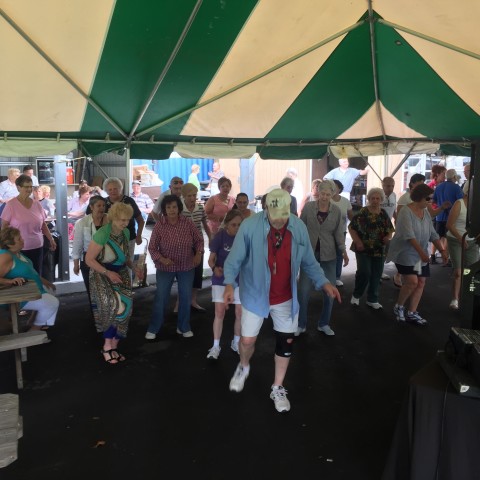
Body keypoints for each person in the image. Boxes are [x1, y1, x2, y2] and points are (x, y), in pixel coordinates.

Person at [223, 188, 340, 412]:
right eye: (274, 216)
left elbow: (309, 262)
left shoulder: (298, 227)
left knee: (285, 342)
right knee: (247, 342)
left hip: (286, 296)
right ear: (266, 208)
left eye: (283, 216)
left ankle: (278, 386)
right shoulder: (250, 226)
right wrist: (229, 282)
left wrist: (324, 282)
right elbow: (234, 259)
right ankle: (244, 365)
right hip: (256, 295)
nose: (279, 221)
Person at [85, 202, 144, 364]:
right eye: (121, 220)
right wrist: (107, 272)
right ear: (113, 218)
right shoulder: (102, 233)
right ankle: (107, 347)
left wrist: (134, 267)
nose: (125, 223)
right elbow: (89, 260)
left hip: (121, 273)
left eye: (127, 220)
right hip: (102, 273)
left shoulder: (125, 232)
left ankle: (114, 346)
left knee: (126, 309)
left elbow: (124, 257)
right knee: (111, 306)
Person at [387, 184, 448, 325]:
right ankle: (399, 306)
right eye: (428, 198)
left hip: (419, 254)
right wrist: (422, 254)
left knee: (421, 282)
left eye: (431, 198)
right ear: (419, 198)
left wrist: (443, 251)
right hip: (406, 253)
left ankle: (412, 312)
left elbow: (433, 234)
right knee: (412, 282)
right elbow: (409, 236)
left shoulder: (425, 211)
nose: (430, 201)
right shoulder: (405, 212)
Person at [145, 195, 204, 340]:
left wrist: (198, 254)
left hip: (186, 265)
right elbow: (152, 248)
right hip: (165, 267)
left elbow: (199, 240)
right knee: (162, 297)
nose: (172, 210)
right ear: (164, 210)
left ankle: (183, 327)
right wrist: (162, 259)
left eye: (174, 207)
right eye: (168, 207)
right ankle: (154, 328)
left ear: (179, 208)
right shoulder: (160, 225)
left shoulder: (187, 223)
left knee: (185, 296)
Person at [297, 180, 348, 336]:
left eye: (328, 194)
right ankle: (301, 324)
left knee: (330, 291)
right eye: (322, 193)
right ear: (318, 192)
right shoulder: (309, 207)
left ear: (332, 194)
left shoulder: (337, 211)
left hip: (329, 255)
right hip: (309, 254)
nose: (325, 197)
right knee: (304, 290)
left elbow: (339, 233)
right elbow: (301, 227)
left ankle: (324, 323)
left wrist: (343, 251)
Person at [0, 227, 59, 330]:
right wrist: (10, 281)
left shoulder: (17, 253)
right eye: (19, 239)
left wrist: (46, 282)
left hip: (32, 288)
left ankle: (32, 320)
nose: (23, 240)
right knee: (52, 303)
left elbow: (31, 272)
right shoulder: (6, 256)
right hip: (21, 294)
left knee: (51, 290)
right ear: (10, 244)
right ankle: (35, 329)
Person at [1, 174, 56, 275]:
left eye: (31, 186)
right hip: (18, 249)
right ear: (18, 187)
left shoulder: (37, 204)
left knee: (36, 274)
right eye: (26, 187)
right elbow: (4, 227)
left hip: (38, 246)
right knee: (22, 276)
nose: (29, 189)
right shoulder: (11, 205)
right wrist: (3, 246)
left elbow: (43, 225)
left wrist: (51, 239)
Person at [206, 210, 243, 359]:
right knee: (219, 312)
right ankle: (215, 346)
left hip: (240, 280)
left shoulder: (244, 238)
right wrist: (215, 268)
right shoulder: (220, 237)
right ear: (227, 224)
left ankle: (236, 342)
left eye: (240, 225)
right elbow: (211, 260)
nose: (237, 228)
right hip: (221, 279)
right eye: (234, 225)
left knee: (240, 313)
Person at [349, 188, 394, 309]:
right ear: (368, 199)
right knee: (364, 272)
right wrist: (357, 242)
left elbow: (389, 229)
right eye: (372, 198)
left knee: (377, 274)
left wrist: (388, 237)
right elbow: (352, 228)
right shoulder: (362, 212)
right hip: (363, 247)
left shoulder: (383, 213)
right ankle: (356, 295)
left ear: (381, 200)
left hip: (379, 249)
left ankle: (372, 299)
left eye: (377, 198)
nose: (375, 200)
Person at [88, 177, 145, 263]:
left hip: (128, 237)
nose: (112, 191)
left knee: (127, 262)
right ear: (106, 190)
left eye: (115, 189)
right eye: (110, 189)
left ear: (120, 189)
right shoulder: (104, 203)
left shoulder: (129, 201)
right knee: (111, 262)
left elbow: (140, 220)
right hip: (109, 239)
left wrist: (139, 235)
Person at [72, 196, 108, 327]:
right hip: (88, 258)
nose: (101, 208)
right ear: (91, 207)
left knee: (107, 288)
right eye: (98, 206)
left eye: (103, 206)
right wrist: (76, 264)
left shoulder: (110, 220)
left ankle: (107, 315)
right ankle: (97, 318)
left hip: (107, 257)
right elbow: (77, 245)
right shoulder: (82, 223)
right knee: (92, 290)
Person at [446, 180, 479, 309]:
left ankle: (468, 297)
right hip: (455, 240)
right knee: (459, 272)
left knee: (470, 272)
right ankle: (455, 298)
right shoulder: (458, 204)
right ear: (468, 191)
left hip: (472, 242)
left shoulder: (477, 205)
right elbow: (449, 225)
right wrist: (461, 238)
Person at [180, 182, 212, 311]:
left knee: (197, 274)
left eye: (194, 195)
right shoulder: (179, 209)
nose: (192, 198)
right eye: (189, 196)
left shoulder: (200, 208)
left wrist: (210, 238)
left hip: (198, 244)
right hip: (183, 245)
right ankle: (181, 302)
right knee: (184, 273)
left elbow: (205, 224)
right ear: (183, 196)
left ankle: (193, 301)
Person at [432, 168, 463, 259]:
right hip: (451, 217)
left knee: (437, 237)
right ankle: (445, 257)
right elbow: (460, 202)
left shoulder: (439, 186)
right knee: (448, 237)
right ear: (454, 177)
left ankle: (433, 256)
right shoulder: (456, 187)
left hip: (439, 216)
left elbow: (434, 200)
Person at [331, 180, 353, 286]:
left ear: (340, 189)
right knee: (325, 253)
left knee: (339, 254)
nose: (333, 189)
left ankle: (336, 277)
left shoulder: (345, 201)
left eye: (335, 187)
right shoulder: (326, 200)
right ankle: (324, 276)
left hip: (341, 231)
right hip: (327, 232)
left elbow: (351, 216)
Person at [380, 177, 397, 280]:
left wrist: (397, 219)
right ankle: (376, 272)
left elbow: (393, 209)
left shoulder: (394, 195)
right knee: (379, 249)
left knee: (386, 249)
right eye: (388, 186)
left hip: (388, 226)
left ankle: (380, 271)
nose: (390, 188)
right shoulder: (378, 195)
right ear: (382, 185)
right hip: (377, 226)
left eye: (392, 186)